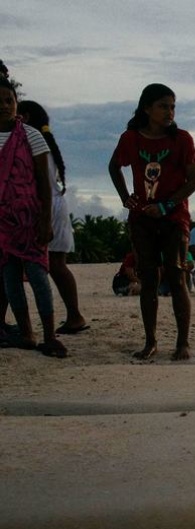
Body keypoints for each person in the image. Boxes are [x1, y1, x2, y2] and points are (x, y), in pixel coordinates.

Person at [109, 83, 195, 360]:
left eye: (172, 106)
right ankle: (150, 341)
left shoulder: (182, 139)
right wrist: (128, 199)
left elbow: (193, 181)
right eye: (163, 106)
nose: (169, 112)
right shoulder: (131, 139)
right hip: (141, 218)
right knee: (148, 277)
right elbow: (114, 167)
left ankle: (182, 343)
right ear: (147, 108)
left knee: (177, 274)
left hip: (174, 217)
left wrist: (166, 205)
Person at [0, 79, 65, 357]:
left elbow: (43, 182)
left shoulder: (31, 136)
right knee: (10, 278)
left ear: (16, 103)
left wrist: (45, 220)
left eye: (8, 100)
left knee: (38, 275)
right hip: (2, 224)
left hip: (30, 219)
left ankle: (49, 335)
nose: (3, 106)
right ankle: (27, 333)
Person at [17, 101, 87, 335]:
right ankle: (74, 315)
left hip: (46, 207)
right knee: (57, 265)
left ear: (24, 116)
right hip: (54, 205)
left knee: (50, 265)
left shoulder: (32, 140)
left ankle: (74, 316)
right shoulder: (43, 140)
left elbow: (40, 181)